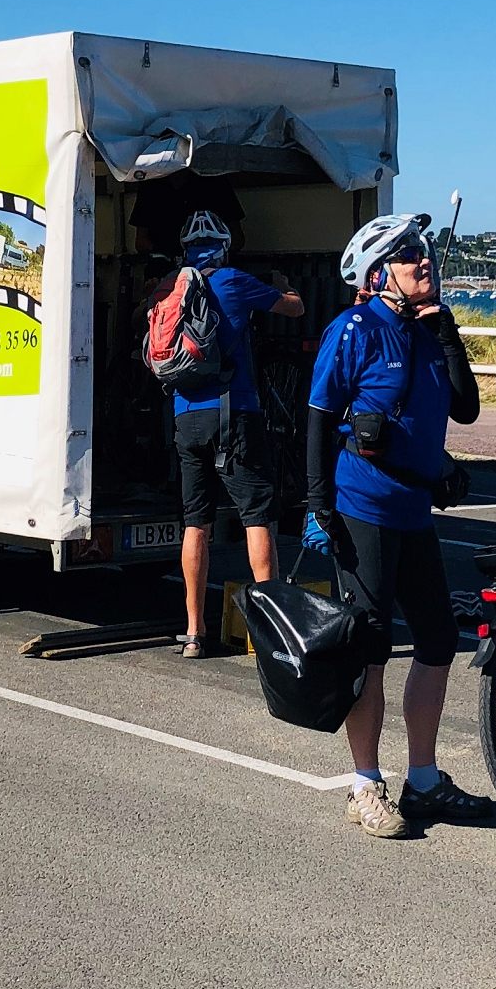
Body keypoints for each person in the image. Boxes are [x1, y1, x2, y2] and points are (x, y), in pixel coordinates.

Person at [304, 213, 492, 837]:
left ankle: (424, 779)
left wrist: (447, 332)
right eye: (409, 255)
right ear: (379, 271)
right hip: (364, 507)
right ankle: (364, 782)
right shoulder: (355, 329)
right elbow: (319, 412)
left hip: (414, 511)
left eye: (426, 252)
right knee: (373, 649)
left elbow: (465, 407)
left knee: (438, 640)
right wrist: (318, 502)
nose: (424, 260)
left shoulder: (423, 333)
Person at [166, 210, 305, 657]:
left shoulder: (171, 286)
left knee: (196, 523)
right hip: (234, 415)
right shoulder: (232, 280)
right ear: (224, 247)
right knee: (256, 516)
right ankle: (273, 630)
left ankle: (193, 631)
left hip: (185, 417)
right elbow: (293, 308)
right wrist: (285, 284)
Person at [131, 171, 246, 259]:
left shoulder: (215, 181)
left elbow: (237, 238)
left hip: (211, 271)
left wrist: (217, 258)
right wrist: (164, 256)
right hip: (165, 273)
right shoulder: (151, 185)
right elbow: (141, 242)